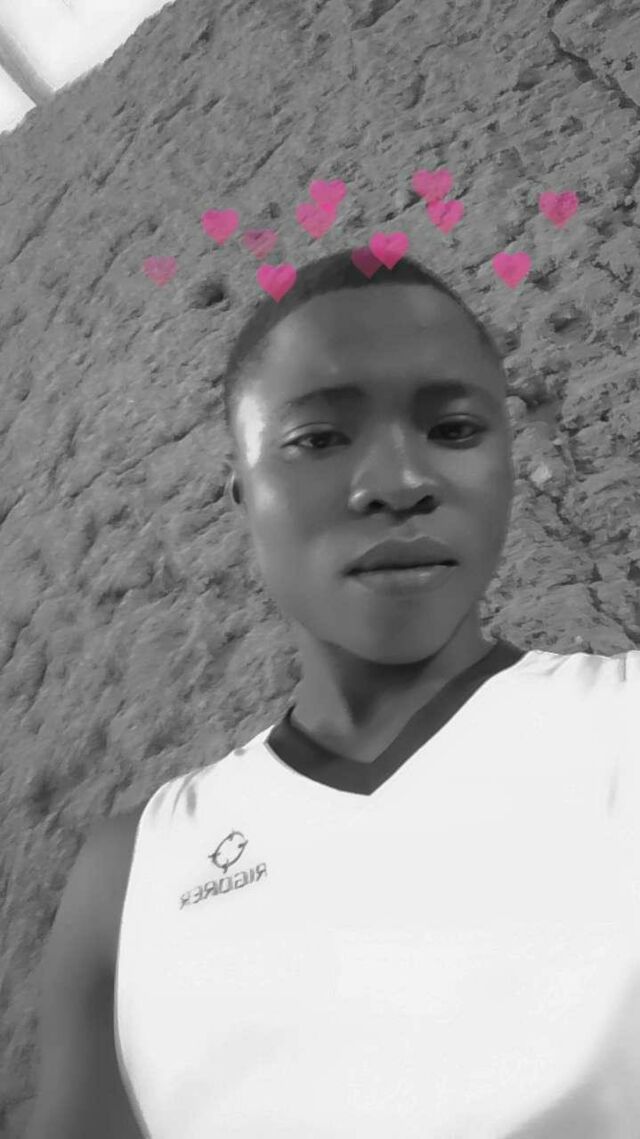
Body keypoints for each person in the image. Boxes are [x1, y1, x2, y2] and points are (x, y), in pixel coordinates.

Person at [27, 249, 639, 1139]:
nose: (397, 483)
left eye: (455, 428)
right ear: (244, 492)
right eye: (319, 439)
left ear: (509, 462)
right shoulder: (133, 877)